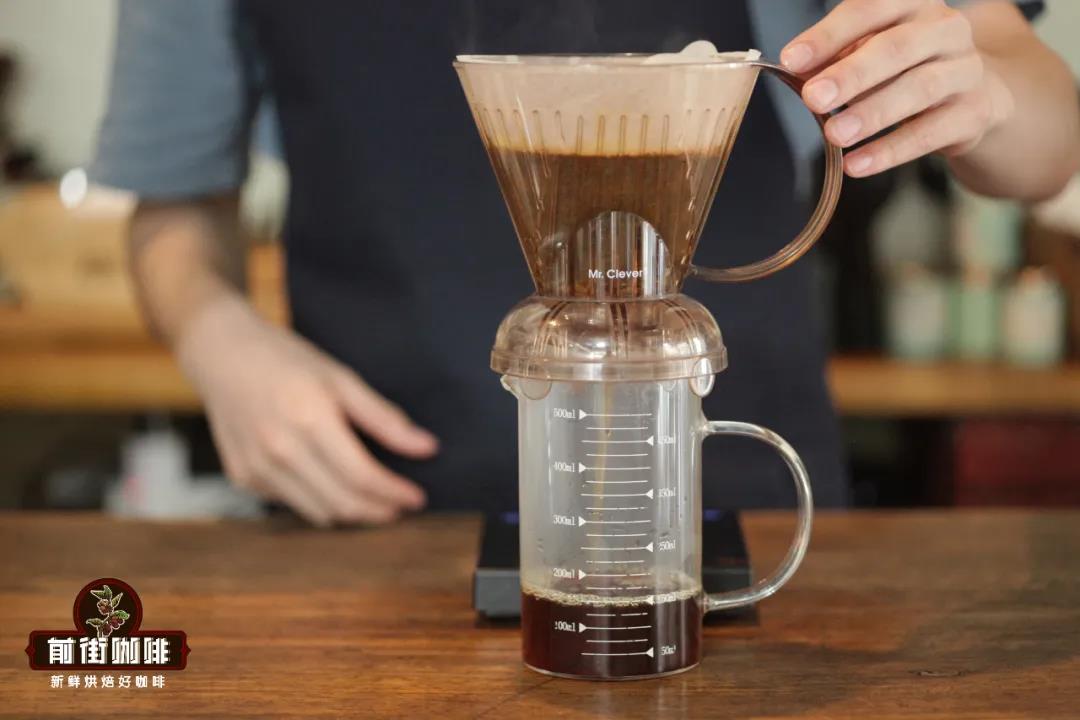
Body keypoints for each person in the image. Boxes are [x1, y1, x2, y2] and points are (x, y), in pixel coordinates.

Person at [93, 0, 1078, 526]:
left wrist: (976, 85)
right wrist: (219, 339)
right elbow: (173, 204)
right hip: (375, 497)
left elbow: (1044, 132)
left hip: (738, 498)